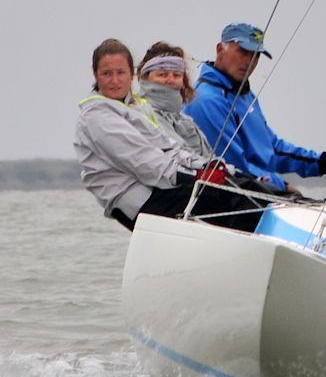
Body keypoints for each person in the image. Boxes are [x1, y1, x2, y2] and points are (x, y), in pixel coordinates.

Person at [74, 38, 265, 233]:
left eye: (120, 72)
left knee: (245, 187)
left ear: (131, 74)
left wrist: (222, 170)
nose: (115, 81)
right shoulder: (97, 116)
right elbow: (143, 162)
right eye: (107, 74)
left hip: (159, 188)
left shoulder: (136, 108)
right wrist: (195, 176)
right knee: (232, 198)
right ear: (96, 75)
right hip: (141, 202)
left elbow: (170, 149)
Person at [184, 22, 326, 193]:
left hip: (256, 192)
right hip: (227, 201)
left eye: (256, 55)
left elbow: (272, 149)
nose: (249, 61)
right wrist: (283, 186)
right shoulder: (207, 101)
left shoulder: (245, 96)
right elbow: (232, 167)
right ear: (220, 49)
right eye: (243, 52)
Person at [136, 41, 214, 158]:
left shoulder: (186, 122)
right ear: (144, 77)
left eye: (177, 75)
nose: (170, 79)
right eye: (162, 74)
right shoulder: (138, 114)